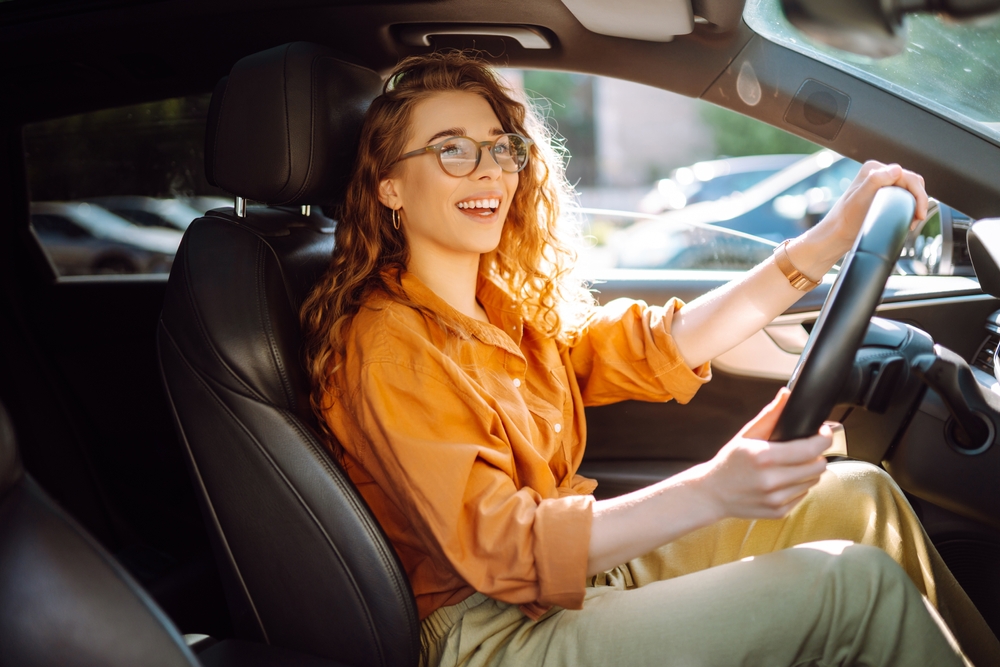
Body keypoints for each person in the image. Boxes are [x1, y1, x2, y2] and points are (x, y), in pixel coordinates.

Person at [300, 51, 1000, 667]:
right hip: (494, 633)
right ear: (389, 184)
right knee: (852, 587)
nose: (490, 171)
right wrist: (712, 487)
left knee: (860, 496)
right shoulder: (388, 343)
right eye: (453, 150)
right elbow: (508, 553)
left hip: (574, 583)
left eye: (500, 147)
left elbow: (658, 344)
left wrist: (824, 243)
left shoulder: (502, 311)